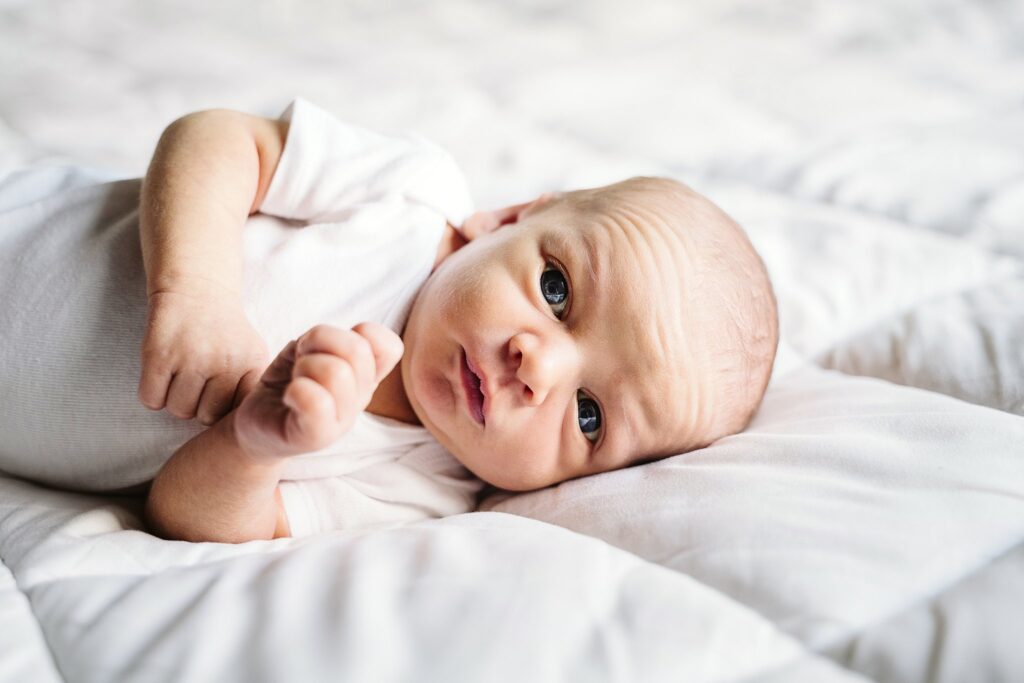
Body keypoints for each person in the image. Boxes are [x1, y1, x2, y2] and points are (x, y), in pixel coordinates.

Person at [0, 99, 778, 543]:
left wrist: (251, 446)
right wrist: (193, 291)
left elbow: (189, 518)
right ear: (504, 217)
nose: (537, 366)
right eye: (557, 288)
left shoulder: (423, 488)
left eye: (588, 413)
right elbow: (216, 137)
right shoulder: (408, 198)